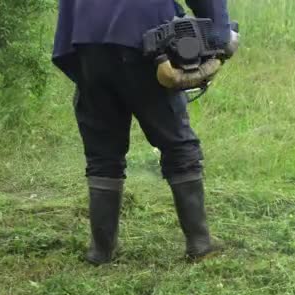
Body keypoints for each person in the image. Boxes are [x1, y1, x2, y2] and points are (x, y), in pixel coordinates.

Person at [51, 0, 232, 265]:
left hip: (85, 37)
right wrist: (220, 39)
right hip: (142, 36)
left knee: (103, 148)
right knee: (177, 142)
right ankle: (200, 243)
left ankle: (101, 251)